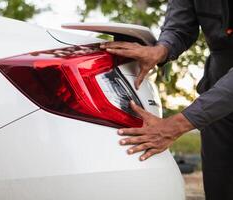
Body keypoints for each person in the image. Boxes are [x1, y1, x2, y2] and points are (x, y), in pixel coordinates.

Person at [100, 0, 233, 199]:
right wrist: (160, 50)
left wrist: (174, 125)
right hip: (217, 87)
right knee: (219, 183)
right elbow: (179, 27)